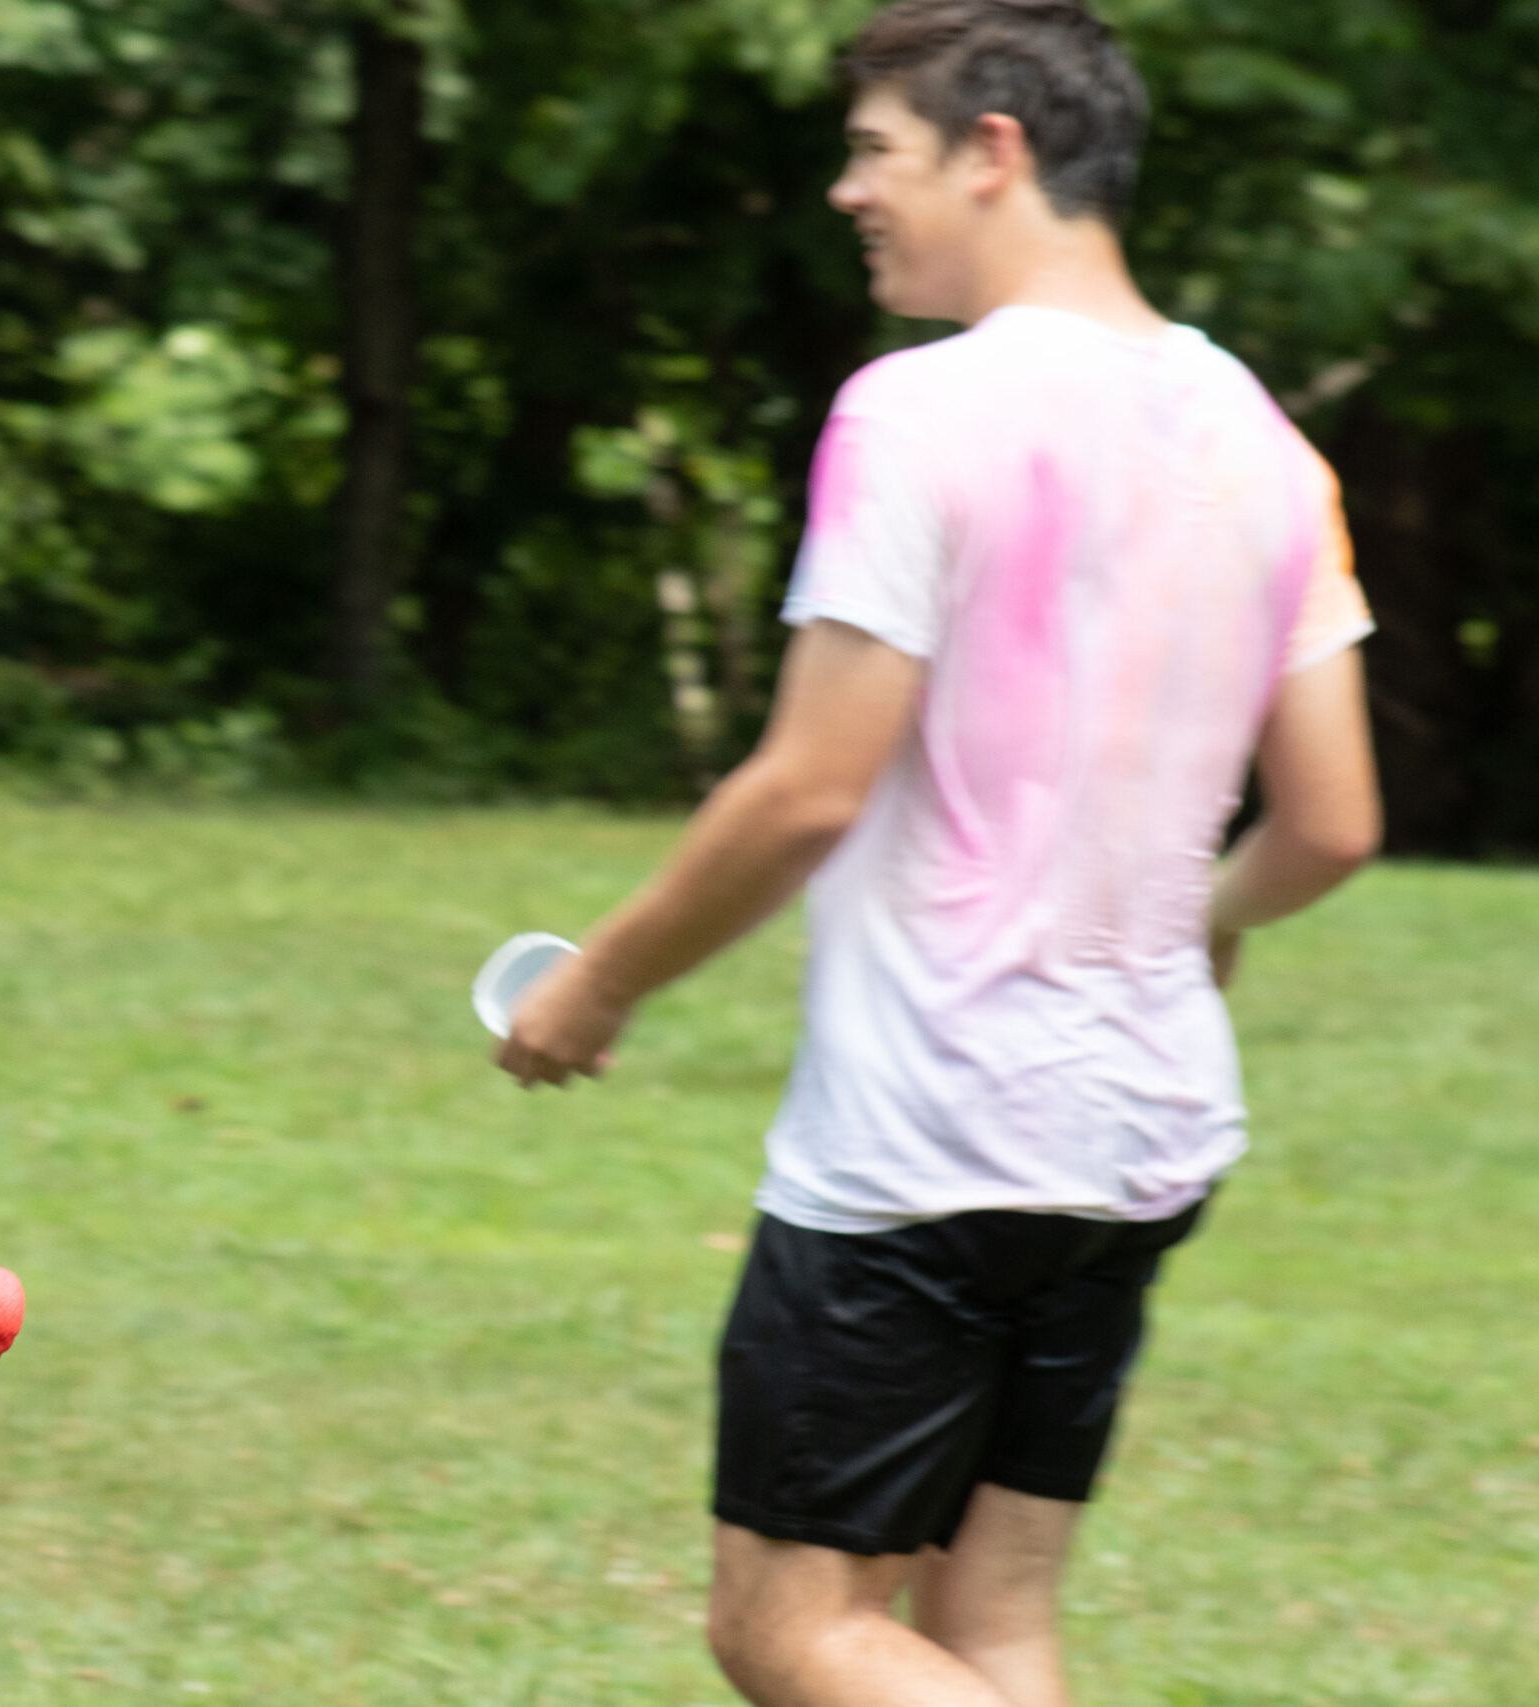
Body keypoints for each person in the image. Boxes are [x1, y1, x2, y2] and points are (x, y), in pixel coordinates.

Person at [496, 4, 1382, 1704]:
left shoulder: (921, 415)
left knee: (794, 1631)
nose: (847, 192)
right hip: (1140, 1138)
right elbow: (1336, 820)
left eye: (874, 150)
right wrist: (1206, 918)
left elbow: (808, 789)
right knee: (989, 1633)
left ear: (996, 151)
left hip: (929, 1142)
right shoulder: (1265, 439)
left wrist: (595, 985)